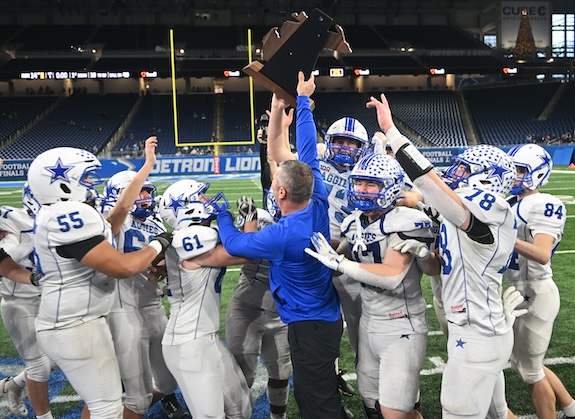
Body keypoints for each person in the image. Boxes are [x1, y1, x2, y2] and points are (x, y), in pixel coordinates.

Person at [367, 93, 518, 419]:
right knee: (496, 413)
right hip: (476, 329)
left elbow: (431, 186)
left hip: (477, 334)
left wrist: (392, 132)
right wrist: (425, 254)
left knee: (458, 412)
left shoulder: (492, 207)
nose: (455, 172)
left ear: (487, 177)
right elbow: (438, 267)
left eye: (464, 168)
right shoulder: (463, 214)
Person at [215, 72, 347, 419]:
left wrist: (223, 215)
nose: (271, 184)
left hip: (309, 322)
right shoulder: (317, 198)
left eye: (274, 182)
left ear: (282, 193)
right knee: (312, 391)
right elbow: (306, 148)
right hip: (323, 315)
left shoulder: (282, 234)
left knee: (316, 402)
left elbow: (234, 244)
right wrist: (302, 101)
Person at [27, 147, 173, 419]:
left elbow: (117, 216)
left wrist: (146, 167)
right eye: (84, 178)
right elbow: (122, 267)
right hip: (71, 325)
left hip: (77, 320)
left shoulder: (60, 212)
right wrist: (158, 243)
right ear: (61, 182)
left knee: (104, 405)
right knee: (107, 409)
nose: (91, 183)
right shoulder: (66, 215)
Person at [305, 152, 434, 419]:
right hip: (369, 322)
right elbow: (340, 254)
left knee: (395, 410)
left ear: (391, 186)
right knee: (372, 403)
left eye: (371, 184)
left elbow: (390, 276)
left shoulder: (407, 220)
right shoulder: (353, 221)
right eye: (358, 183)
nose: (361, 190)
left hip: (402, 324)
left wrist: (339, 264)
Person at [101, 136, 189, 419]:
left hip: (153, 305)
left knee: (166, 381)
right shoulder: (113, 220)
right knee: (134, 395)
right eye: (139, 192)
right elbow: (121, 210)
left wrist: (162, 267)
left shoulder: (153, 221)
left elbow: (158, 258)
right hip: (123, 310)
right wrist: (147, 164)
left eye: (147, 192)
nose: (145, 197)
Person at [157, 179, 252, 419]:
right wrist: (248, 221)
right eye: (200, 197)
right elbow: (247, 251)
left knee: (240, 408)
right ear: (186, 207)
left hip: (205, 338)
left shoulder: (189, 237)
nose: (207, 201)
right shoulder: (191, 237)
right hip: (188, 342)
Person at [505, 143, 575, 419]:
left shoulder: (542, 203)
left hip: (537, 291)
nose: (514, 176)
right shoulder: (513, 202)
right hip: (516, 290)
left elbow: (542, 254)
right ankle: (570, 407)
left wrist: (504, 239)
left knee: (530, 369)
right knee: (525, 363)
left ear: (537, 173)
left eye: (520, 170)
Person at [321, 116, 369, 392]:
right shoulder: (315, 161)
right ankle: (332, 374)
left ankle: (368, 379)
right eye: (339, 141)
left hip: (351, 255)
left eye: (351, 143)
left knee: (358, 324)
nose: (344, 148)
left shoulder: (367, 171)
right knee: (324, 325)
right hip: (317, 253)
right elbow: (279, 156)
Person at [0, 185, 54, 419]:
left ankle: (14, 384)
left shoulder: (66, 220)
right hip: (19, 301)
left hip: (51, 299)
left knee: (65, 354)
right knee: (38, 367)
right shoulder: (12, 219)